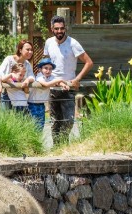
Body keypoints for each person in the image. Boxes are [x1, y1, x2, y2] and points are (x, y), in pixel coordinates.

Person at [43, 15, 94, 144]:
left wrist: (77, 79)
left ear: (65, 28)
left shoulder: (73, 43)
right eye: (57, 29)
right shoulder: (49, 42)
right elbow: (45, 63)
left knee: (69, 120)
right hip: (53, 88)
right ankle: (57, 147)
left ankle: (64, 143)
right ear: (52, 29)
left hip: (68, 88)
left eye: (62, 28)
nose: (59, 31)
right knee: (55, 121)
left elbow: (89, 62)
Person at [28, 57, 68, 132]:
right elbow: (46, 84)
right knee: (33, 125)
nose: (48, 70)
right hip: (32, 104)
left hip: (41, 104)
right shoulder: (39, 76)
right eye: (45, 68)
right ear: (40, 69)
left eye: (50, 69)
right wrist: (60, 80)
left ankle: (37, 140)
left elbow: (56, 81)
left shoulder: (50, 77)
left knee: (40, 125)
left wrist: (63, 84)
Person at [0, 39, 35, 109]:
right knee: (6, 118)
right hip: (6, 94)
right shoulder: (9, 60)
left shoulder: (27, 64)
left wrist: (28, 80)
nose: (30, 52)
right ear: (20, 50)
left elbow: (32, 76)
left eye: (31, 50)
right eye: (27, 49)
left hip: (19, 95)